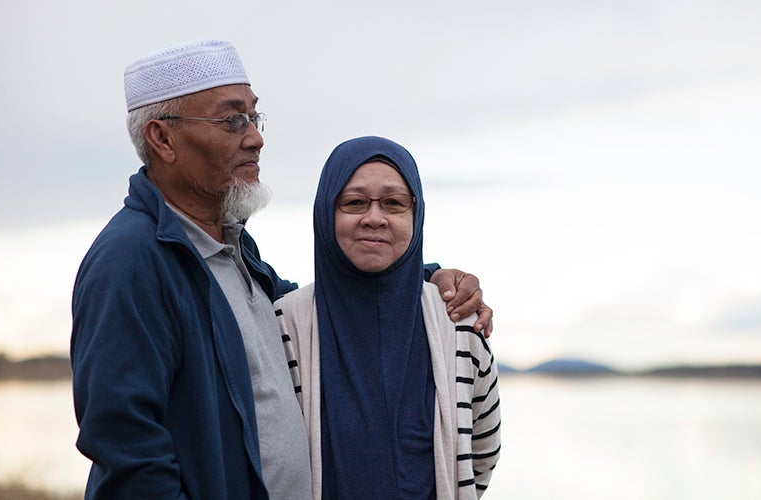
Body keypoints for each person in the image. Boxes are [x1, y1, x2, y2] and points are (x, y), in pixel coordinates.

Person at [70, 39, 494, 499]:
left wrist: (421, 277)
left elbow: (338, 299)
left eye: (254, 117)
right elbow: (129, 455)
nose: (255, 137)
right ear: (163, 139)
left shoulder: (234, 257)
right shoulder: (132, 260)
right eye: (232, 120)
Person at [275, 136, 501, 499]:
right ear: (324, 213)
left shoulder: (458, 325)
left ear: (417, 215)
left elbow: (481, 457)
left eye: (394, 203)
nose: (374, 218)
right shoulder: (284, 325)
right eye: (354, 203)